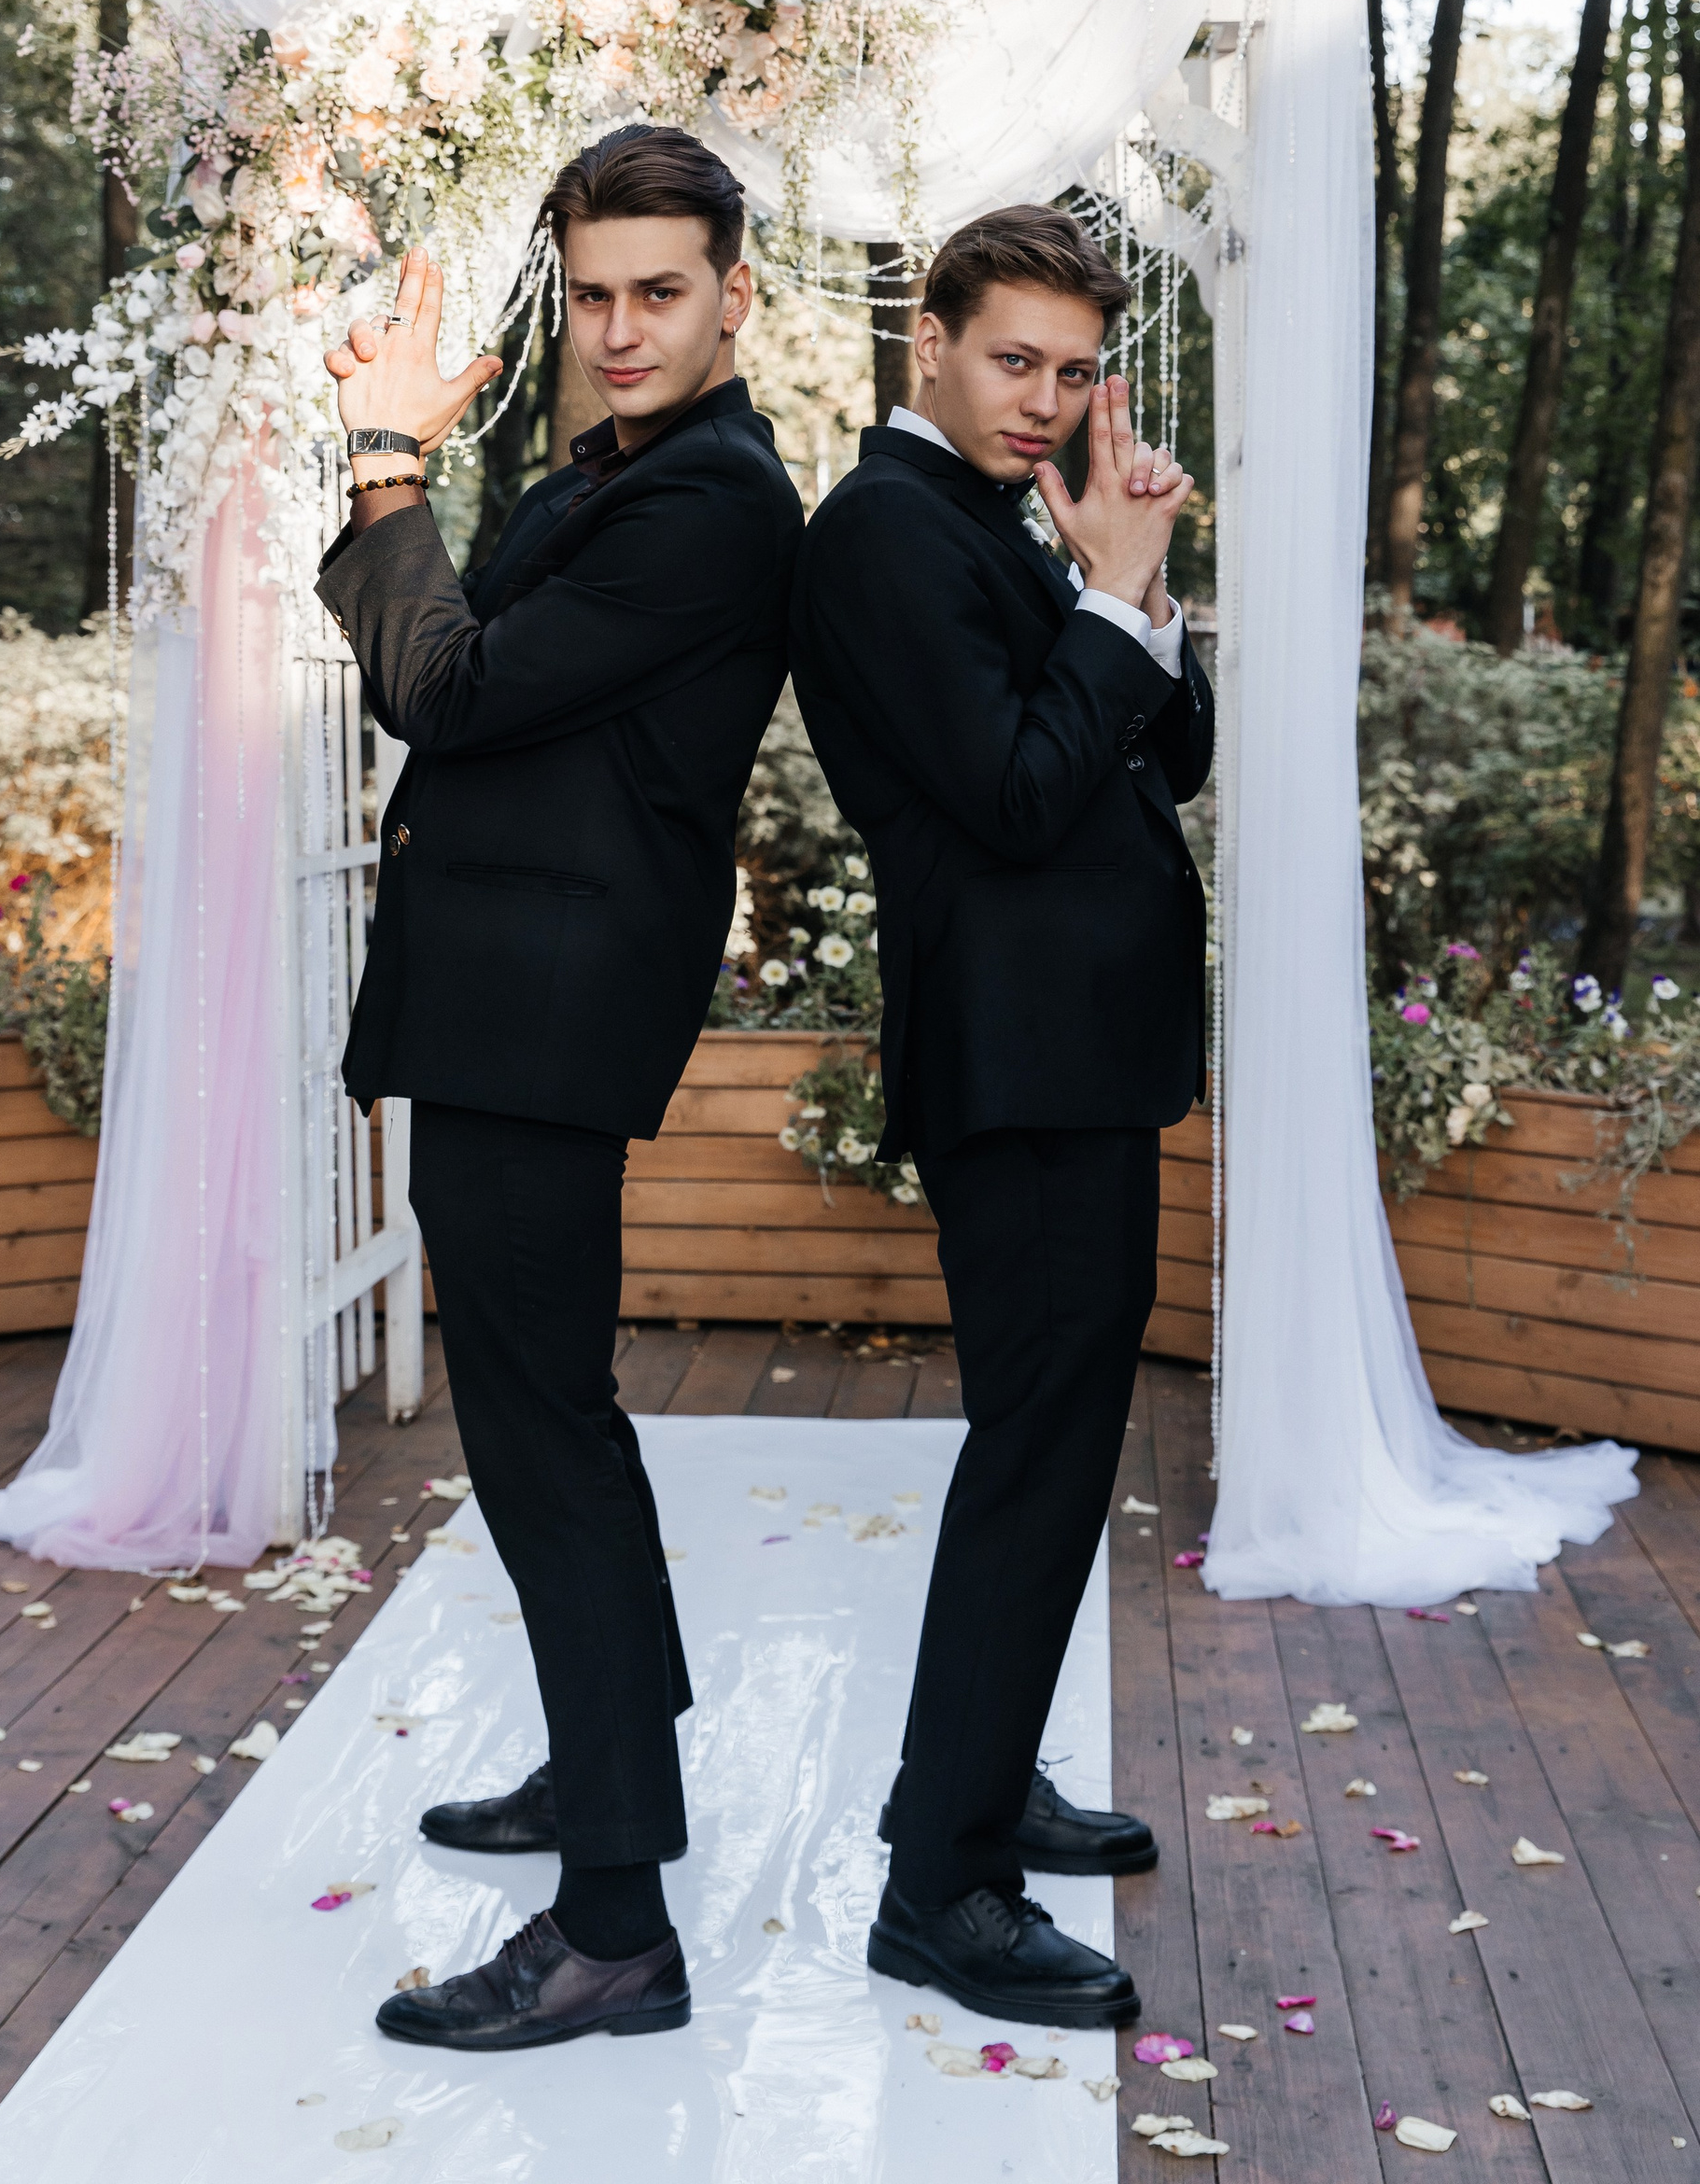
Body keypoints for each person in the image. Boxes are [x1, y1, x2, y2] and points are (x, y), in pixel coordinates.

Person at [315, 123, 806, 2052]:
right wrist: (412, 482)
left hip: (543, 1017)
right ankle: (607, 1766)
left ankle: (615, 1928)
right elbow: (462, 671)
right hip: (510, 1005)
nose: (618, 330)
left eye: (658, 293)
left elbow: (443, 688)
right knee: (547, 1427)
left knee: (544, 1438)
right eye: (592, 295)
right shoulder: (613, 471)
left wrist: (387, 465)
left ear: (734, 296)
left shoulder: (712, 505)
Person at [788, 203, 1213, 2031]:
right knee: (1037, 1452)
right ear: (932, 346)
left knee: (1055, 1443)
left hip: (1078, 1054)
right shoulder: (883, 530)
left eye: (1070, 369)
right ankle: (941, 1887)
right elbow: (1027, 795)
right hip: (1017, 1058)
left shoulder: (1009, 514)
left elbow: (1170, 753)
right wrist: (1105, 600)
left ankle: (977, 1775)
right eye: (1011, 360)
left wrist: (1135, 590)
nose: (1043, 398)